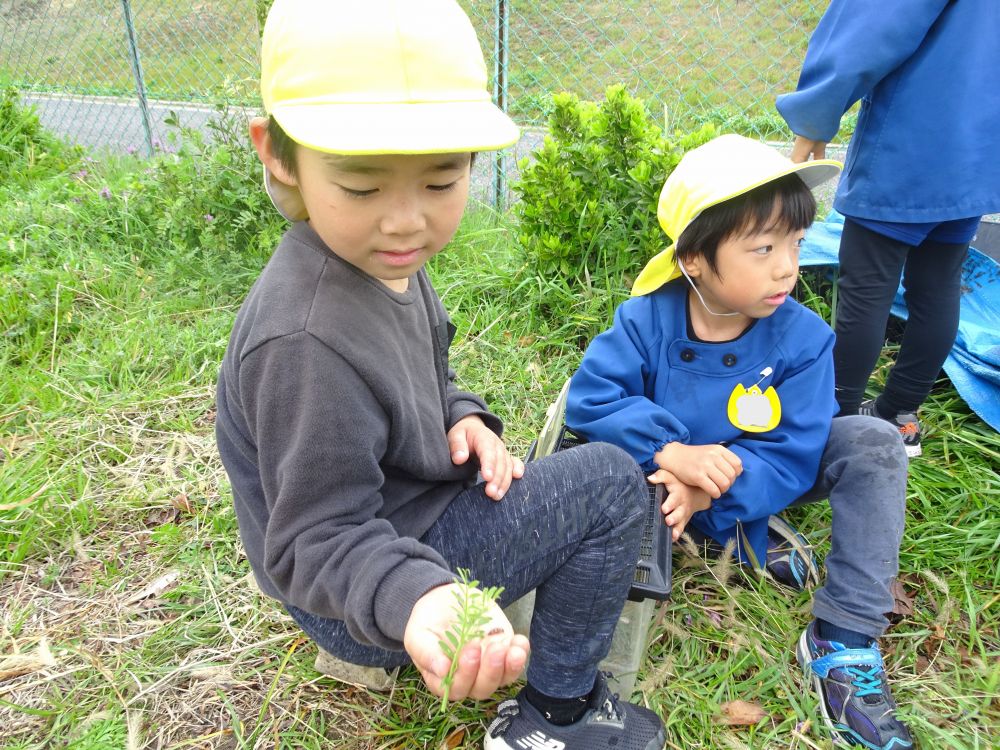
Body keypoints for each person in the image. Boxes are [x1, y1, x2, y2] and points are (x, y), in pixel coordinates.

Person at [214, 1, 666, 748]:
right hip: (361, 585)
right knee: (613, 484)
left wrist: (462, 413)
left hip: (399, 532)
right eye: (362, 186)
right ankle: (555, 717)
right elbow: (315, 540)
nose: (406, 221)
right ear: (277, 154)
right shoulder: (304, 342)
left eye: (440, 180)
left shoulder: (374, 257)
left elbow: (429, 363)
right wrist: (421, 597)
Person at [566, 134, 914, 749]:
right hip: (656, 482)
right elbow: (592, 398)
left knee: (874, 442)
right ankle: (741, 535)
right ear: (695, 258)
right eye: (762, 249)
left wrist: (706, 492)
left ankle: (844, 636)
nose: (787, 267)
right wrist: (668, 453)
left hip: (751, 472)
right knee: (598, 466)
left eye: (795, 244)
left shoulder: (803, 338)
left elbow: (793, 449)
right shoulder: (646, 319)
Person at [776, 0, 1000, 458]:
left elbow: (871, 27)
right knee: (938, 286)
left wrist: (817, 113)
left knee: (867, 286)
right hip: (980, 149)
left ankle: (836, 424)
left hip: (914, 141)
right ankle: (900, 417)